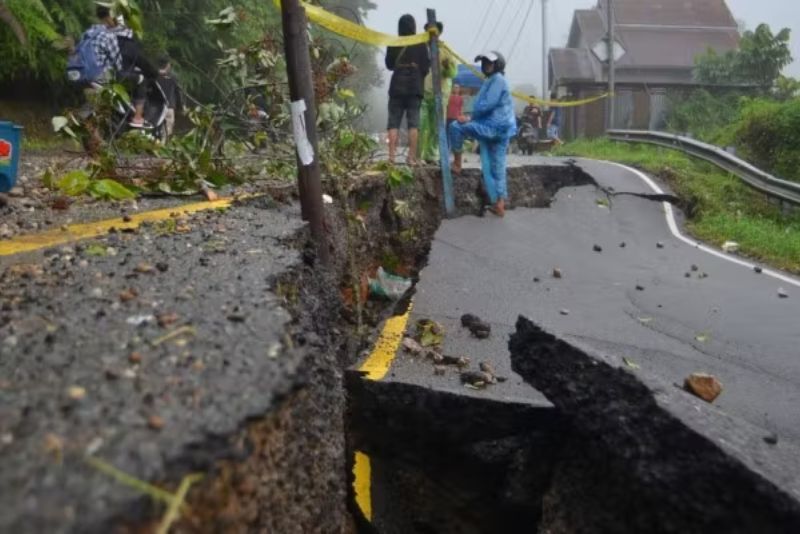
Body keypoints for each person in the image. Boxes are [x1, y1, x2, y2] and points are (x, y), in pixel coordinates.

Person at [449, 51, 517, 217]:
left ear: (498, 65)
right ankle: (499, 203)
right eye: (485, 63)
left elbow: (486, 104)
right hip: (502, 129)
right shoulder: (492, 80)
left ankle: (457, 164)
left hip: (492, 126)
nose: (486, 65)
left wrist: (470, 117)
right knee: (497, 165)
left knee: (455, 127)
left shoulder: (497, 80)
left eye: (490, 63)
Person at [385, 14, 430, 165]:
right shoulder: (421, 43)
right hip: (414, 86)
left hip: (397, 85)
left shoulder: (393, 42)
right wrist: (416, 72)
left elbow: (389, 65)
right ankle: (411, 158)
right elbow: (426, 67)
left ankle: (391, 157)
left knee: (393, 122)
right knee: (413, 123)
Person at [419, 22, 457, 164]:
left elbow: (453, 73)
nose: (431, 34)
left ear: (439, 33)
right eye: (428, 31)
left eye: (433, 32)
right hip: (422, 92)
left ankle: (432, 155)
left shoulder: (446, 50)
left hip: (440, 94)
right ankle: (419, 156)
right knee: (421, 125)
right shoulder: (421, 47)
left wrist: (447, 67)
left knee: (437, 126)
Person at [111, 18, 158, 127]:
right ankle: (137, 117)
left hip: (100, 76)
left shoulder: (106, 39)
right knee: (142, 79)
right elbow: (143, 63)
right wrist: (154, 73)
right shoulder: (128, 44)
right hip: (118, 77)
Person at [157, 56, 184, 139]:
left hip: (155, 107)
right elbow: (178, 93)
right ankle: (163, 148)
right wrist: (181, 107)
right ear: (167, 65)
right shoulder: (173, 77)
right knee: (167, 131)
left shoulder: (153, 74)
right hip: (169, 107)